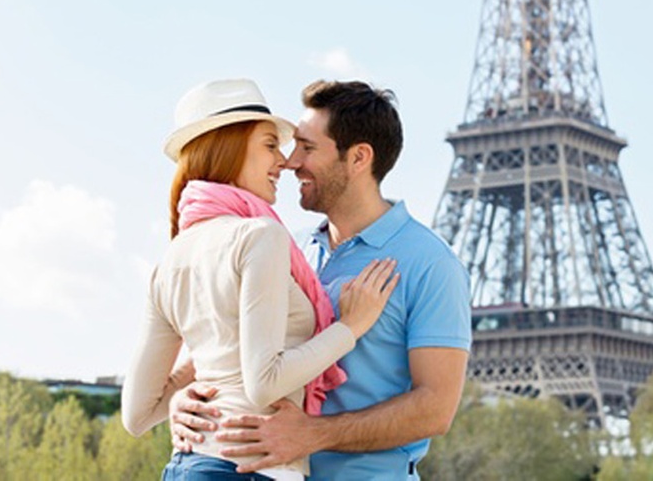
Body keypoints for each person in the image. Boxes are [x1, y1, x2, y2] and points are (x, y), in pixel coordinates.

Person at [169, 80, 472, 479]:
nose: (291, 162)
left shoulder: (430, 263)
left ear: (359, 157)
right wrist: (179, 400)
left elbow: (435, 408)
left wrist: (312, 435)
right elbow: (218, 349)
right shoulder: (282, 249)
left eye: (308, 148)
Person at [121, 78, 399, 480]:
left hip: (190, 465)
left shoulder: (171, 260)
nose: (284, 162)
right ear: (229, 146)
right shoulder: (260, 236)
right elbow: (264, 383)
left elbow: (136, 414)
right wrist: (350, 327)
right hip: (249, 470)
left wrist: (184, 396)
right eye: (270, 145)